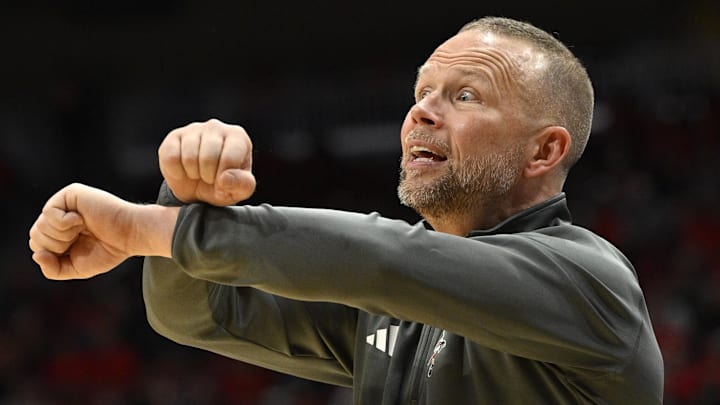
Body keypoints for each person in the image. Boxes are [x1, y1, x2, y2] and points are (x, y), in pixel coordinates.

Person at [28, 16, 664, 404]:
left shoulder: (590, 282)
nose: (422, 111)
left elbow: (384, 260)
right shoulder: (395, 311)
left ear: (544, 150)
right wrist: (185, 194)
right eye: (421, 93)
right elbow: (198, 316)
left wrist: (146, 228)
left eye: (465, 95)